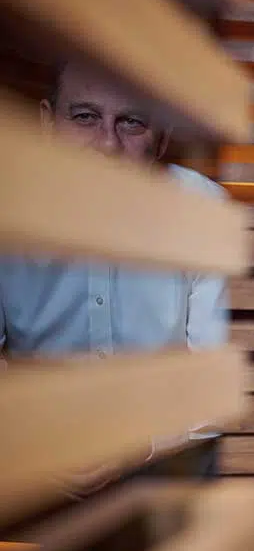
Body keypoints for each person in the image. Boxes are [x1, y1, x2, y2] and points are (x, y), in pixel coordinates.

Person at [0, 60, 229, 496]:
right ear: (49, 123)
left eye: (131, 122)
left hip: (167, 463)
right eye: (84, 117)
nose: (106, 143)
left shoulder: (205, 212)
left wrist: (139, 444)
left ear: (160, 137)